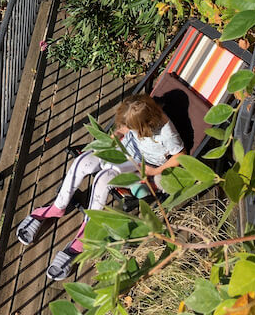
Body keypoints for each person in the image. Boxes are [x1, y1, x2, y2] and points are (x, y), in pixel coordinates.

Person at [16, 94, 185, 281]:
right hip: (120, 150)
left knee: (102, 179)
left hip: (138, 164)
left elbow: (180, 155)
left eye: (129, 127)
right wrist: (114, 138)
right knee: (83, 162)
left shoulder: (166, 132)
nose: (125, 128)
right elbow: (121, 129)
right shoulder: (135, 110)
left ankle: (84, 238)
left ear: (143, 126)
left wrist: (155, 172)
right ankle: (57, 207)